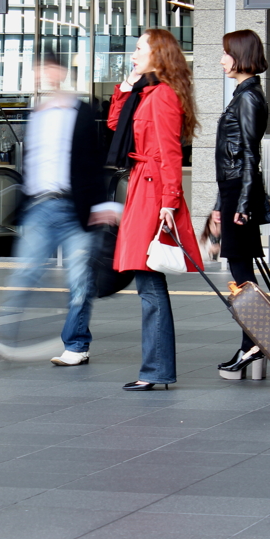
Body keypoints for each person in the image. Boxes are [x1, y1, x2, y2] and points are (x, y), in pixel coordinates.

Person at [0, 51, 116, 366]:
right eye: (37, 69)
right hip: (40, 207)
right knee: (24, 275)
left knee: (79, 281)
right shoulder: (38, 114)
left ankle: (76, 345)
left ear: (59, 71)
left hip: (75, 207)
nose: (41, 74)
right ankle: (6, 340)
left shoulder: (81, 112)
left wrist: (101, 204)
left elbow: (94, 161)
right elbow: (31, 165)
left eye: (46, 68)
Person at [107, 29, 202, 391]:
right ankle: (155, 369)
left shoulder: (162, 96)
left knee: (149, 281)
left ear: (158, 55)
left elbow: (169, 154)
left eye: (138, 49)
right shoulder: (146, 92)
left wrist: (169, 202)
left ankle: (156, 370)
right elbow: (117, 127)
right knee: (148, 280)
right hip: (144, 187)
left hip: (152, 192)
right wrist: (126, 87)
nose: (133, 54)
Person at [213, 30, 270, 379]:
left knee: (242, 275)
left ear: (241, 55)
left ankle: (253, 343)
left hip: (241, 194)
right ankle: (253, 343)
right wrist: (223, 201)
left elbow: (251, 154)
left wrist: (242, 203)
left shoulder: (249, 98)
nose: (221, 59)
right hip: (234, 193)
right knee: (242, 273)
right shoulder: (243, 95)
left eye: (225, 53)